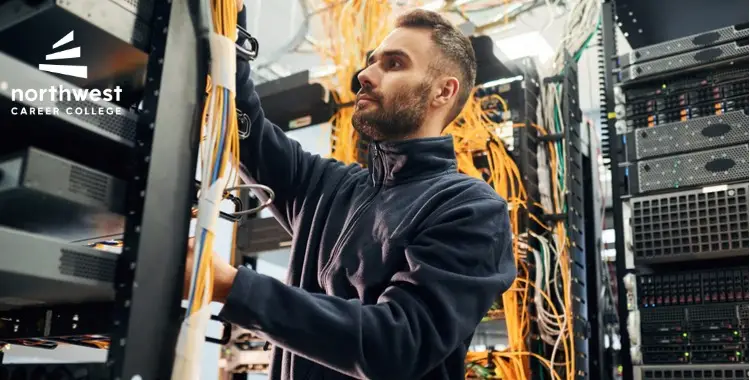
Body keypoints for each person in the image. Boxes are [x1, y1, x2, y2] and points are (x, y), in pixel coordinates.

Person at [185, 3, 516, 379]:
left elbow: (396, 344)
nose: (365, 75)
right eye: (371, 62)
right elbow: (242, 126)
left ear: (443, 91)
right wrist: (231, 16)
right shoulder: (329, 186)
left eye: (393, 64)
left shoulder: (470, 209)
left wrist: (231, 285)